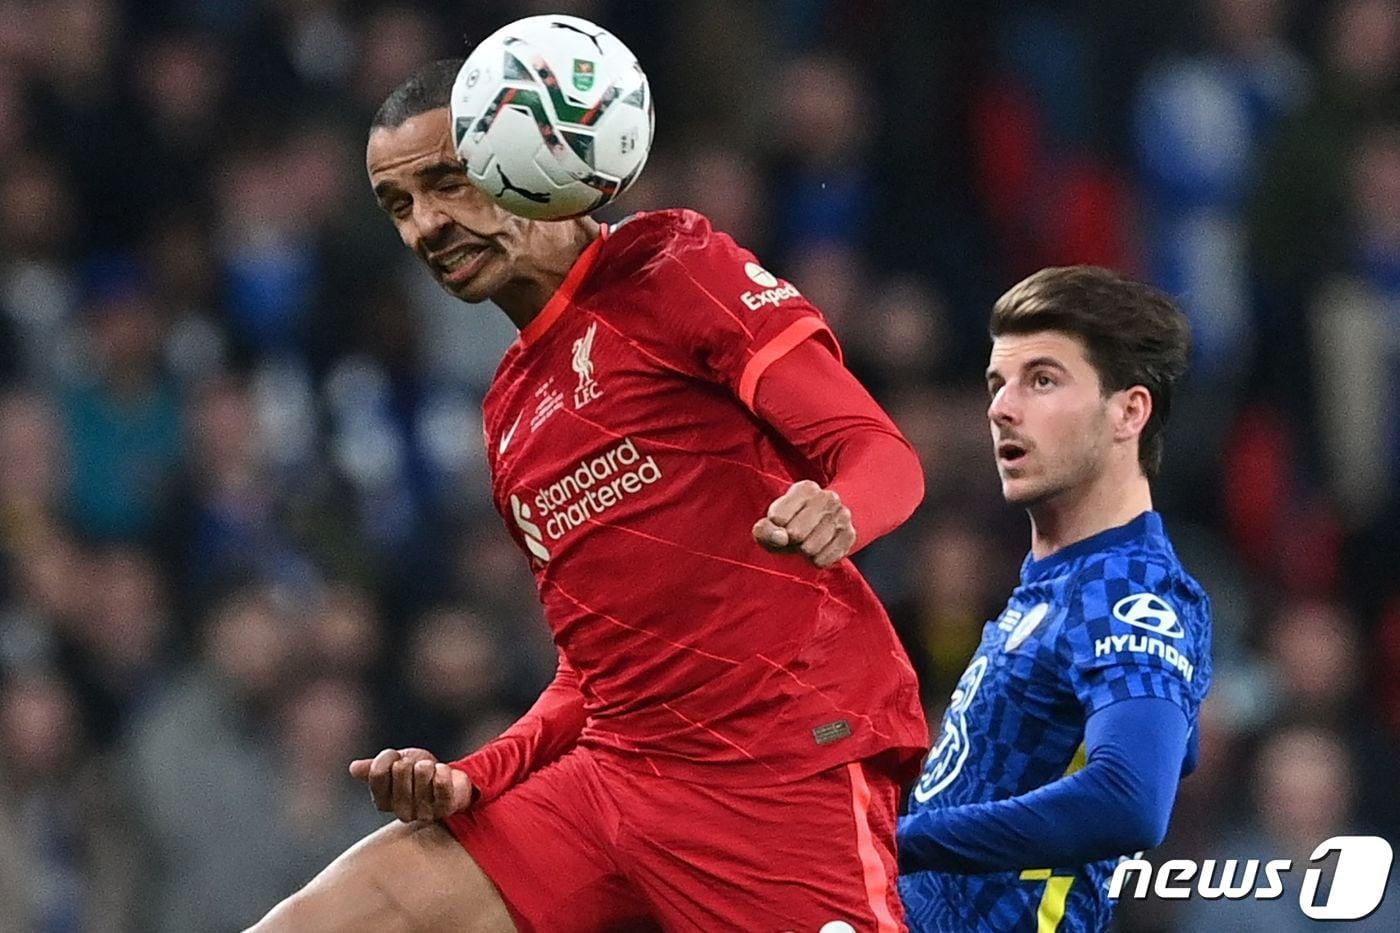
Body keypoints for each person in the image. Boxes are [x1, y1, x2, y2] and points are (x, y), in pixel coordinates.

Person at [251, 58, 927, 932]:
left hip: (777, 763)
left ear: (527, 156)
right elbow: (596, 669)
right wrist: (483, 773)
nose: (426, 225)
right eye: (399, 205)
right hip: (615, 779)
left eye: (446, 182)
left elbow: (878, 452)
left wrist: (843, 508)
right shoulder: (507, 414)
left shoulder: (672, 266)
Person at [897, 267, 1213, 932]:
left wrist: (902, 838)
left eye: (1042, 379)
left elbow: (1131, 799)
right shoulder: (1056, 583)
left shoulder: (1126, 585)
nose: (1001, 408)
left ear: (1129, 410)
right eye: (997, 383)